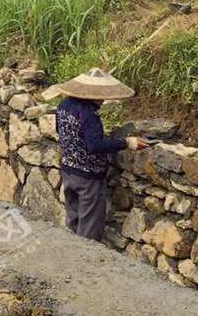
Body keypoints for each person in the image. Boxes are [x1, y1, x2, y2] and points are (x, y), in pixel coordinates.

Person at [50, 67, 147, 241]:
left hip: (68, 171)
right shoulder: (89, 115)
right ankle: (85, 262)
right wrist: (127, 142)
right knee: (89, 227)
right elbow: (95, 145)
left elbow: (59, 129)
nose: (103, 100)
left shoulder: (63, 105)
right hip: (88, 177)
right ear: (90, 94)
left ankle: (69, 253)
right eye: (100, 95)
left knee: (73, 217)